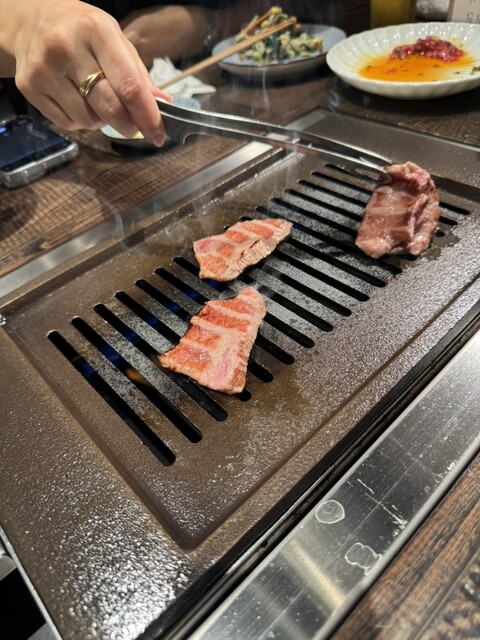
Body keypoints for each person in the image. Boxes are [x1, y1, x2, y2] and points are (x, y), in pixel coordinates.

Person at [0, 0, 261, 146]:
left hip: (236, 78)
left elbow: (283, 8)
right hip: (56, 126)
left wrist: (207, 25)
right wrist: (22, 25)